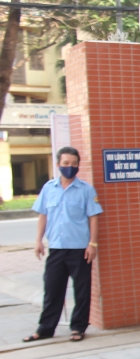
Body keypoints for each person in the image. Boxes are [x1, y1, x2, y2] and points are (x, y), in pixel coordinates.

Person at [24, 147, 102, 343]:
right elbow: (43, 216)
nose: (70, 167)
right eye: (66, 163)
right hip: (56, 248)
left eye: (74, 164)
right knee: (52, 289)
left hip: (79, 249)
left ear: (78, 165)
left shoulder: (85, 190)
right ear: (58, 164)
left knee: (82, 290)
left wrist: (92, 244)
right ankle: (45, 328)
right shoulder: (49, 188)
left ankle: (78, 327)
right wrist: (38, 241)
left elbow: (93, 218)